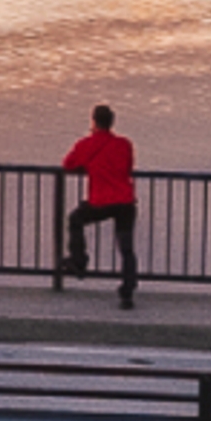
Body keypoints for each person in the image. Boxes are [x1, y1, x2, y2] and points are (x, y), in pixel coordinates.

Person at [61, 102, 139, 308]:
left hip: (101, 202)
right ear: (112, 123)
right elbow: (129, 167)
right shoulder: (124, 144)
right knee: (126, 249)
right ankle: (127, 294)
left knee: (75, 219)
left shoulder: (86, 144)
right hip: (125, 202)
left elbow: (68, 165)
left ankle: (79, 261)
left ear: (94, 122)